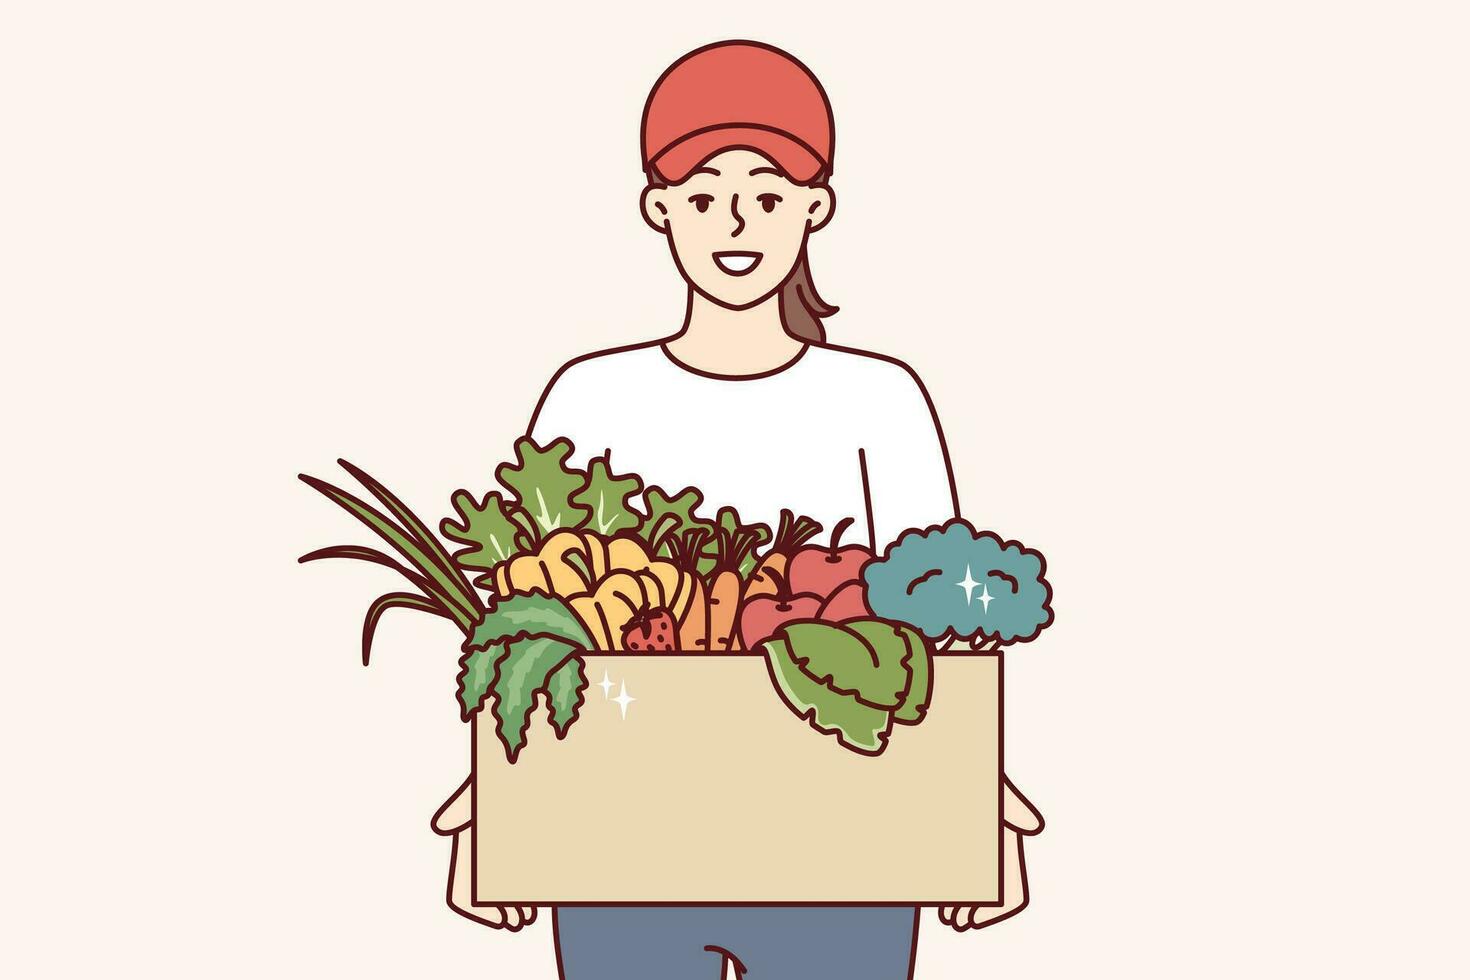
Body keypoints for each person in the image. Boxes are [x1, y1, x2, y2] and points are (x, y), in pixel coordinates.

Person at [430, 40, 1044, 980]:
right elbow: (526, 632)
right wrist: (500, 801)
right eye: (705, 193)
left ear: (816, 206)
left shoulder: (880, 401)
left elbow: (943, 632)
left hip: (845, 838)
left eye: (766, 194)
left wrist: (972, 801)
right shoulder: (590, 399)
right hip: (621, 840)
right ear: (658, 207)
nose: (735, 223)